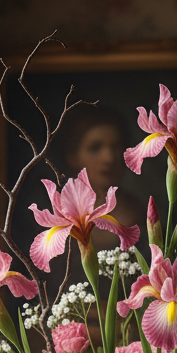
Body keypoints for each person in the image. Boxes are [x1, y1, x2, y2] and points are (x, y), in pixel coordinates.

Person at [55, 104, 143, 252]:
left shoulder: (139, 212)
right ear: (72, 156)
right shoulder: (58, 211)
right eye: (95, 148)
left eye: (116, 147)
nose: (109, 158)